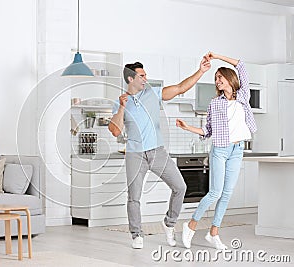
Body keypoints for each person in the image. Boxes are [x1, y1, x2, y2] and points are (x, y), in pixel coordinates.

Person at [108, 57, 210, 249]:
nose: (146, 78)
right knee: (134, 197)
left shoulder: (153, 94)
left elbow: (180, 87)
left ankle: (169, 223)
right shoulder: (119, 102)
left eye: (145, 75)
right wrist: (122, 107)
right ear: (131, 78)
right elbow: (115, 131)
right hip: (135, 155)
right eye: (142, 75)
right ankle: (136, 234)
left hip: (158, 153)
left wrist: (201, 72)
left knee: (180, 187)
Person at [176, 52, 257, 250]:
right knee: (215, 192)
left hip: (237, 149)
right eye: (216, 78)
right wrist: (187, 127)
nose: (217, 80)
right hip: (220, 149)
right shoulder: (215, 103)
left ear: (230, 79)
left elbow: (242, 64)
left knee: (227, 194)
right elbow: (207, 130)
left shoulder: (243, 96)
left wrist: (217, 56)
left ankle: (214, 233)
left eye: (220, 77)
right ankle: (191, 225)